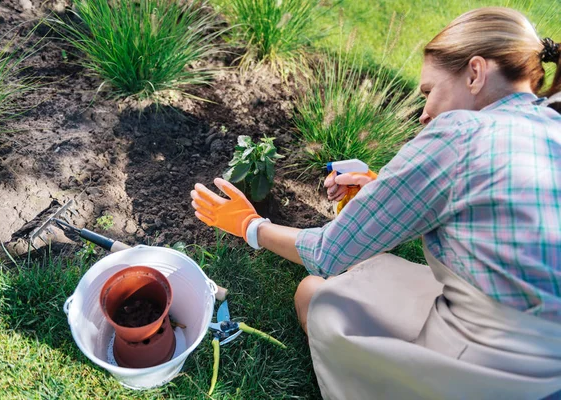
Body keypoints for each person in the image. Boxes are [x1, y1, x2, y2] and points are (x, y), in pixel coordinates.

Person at [191, 7, 561, 399]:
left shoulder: (460, 133)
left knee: (315, 294)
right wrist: (382, 192)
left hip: (498, 375)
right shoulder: (550, 124)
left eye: (429, 91)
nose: (424, 114)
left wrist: (250, 225)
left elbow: (327, 253)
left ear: (474, 73)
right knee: (376, 267)